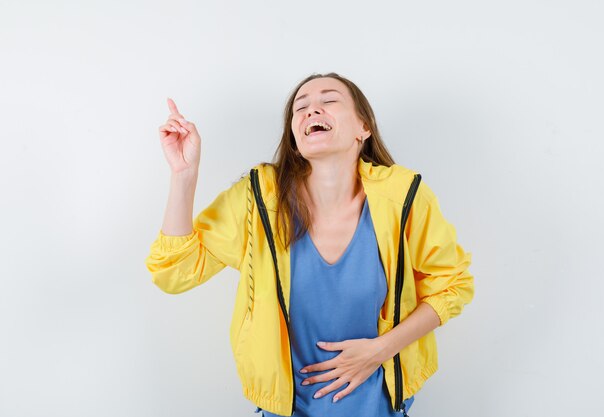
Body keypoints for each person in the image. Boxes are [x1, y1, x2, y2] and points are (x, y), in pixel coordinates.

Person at [145, 72, 475, 417]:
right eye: (300, 108)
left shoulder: (403, 196)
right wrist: (184, 175)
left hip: (379, 407)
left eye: (329, 101)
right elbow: (174, 273)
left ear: (364, 128)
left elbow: (452, 285)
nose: (311, 111)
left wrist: (380, 349)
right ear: (294, 135)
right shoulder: (259, 199)